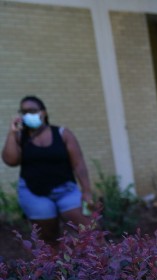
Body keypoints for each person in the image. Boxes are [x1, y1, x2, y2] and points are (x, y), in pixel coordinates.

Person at [2, 95, 95, 245]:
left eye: (32, 111)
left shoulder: (62, 133)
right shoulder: (20, 137)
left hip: (67, 190)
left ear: (43, 112)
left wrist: (87, 192)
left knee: (91, 230)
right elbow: (10, 161)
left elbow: (79, 164)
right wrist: (12, 132)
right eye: (23, 112)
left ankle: (104, 265)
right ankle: (55, 267)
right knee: (48, 238)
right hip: (34, 194)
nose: (27, 115)